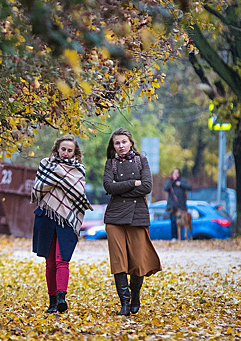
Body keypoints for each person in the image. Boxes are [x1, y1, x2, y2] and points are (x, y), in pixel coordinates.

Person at [103, 128, 162, 316]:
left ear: (130, 143)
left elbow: (146, 187)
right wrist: (132, 183)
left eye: (123, 142)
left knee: (138, 261)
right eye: (117, 143)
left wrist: (121, 189)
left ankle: (135, 294)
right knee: (118, 261)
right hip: (114, 217)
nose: (120, 146)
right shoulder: (110, 163)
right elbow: (108, 186)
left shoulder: (141, 161)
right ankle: (125, 303)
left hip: (138, 216)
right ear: (113, 146)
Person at [31, 135, 93, 313]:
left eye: (69, 150)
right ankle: (51, 302)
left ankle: (61, 298)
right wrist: (59, 181)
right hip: (46, 216)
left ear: (75, 152)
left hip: (68, 218)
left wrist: (58, 182)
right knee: (49, 263)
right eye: (63, 149)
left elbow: (79, 194)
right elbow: (37, 189)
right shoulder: (46, 165)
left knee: (62, 260)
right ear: (57, 149)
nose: (66, 153)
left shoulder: (78, 170)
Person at [164, 168, 192, 239]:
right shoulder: (170, 181)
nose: (176, 175)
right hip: (173, 207)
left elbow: (189, 187)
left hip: (181, 206)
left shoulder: (182, 181)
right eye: (174, 173)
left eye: (177, 173)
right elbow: (166, 188)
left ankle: (182, 237)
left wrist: (181, 184)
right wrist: (173, 181)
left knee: (183, 222)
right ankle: (174, 237)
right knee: (173, 222)